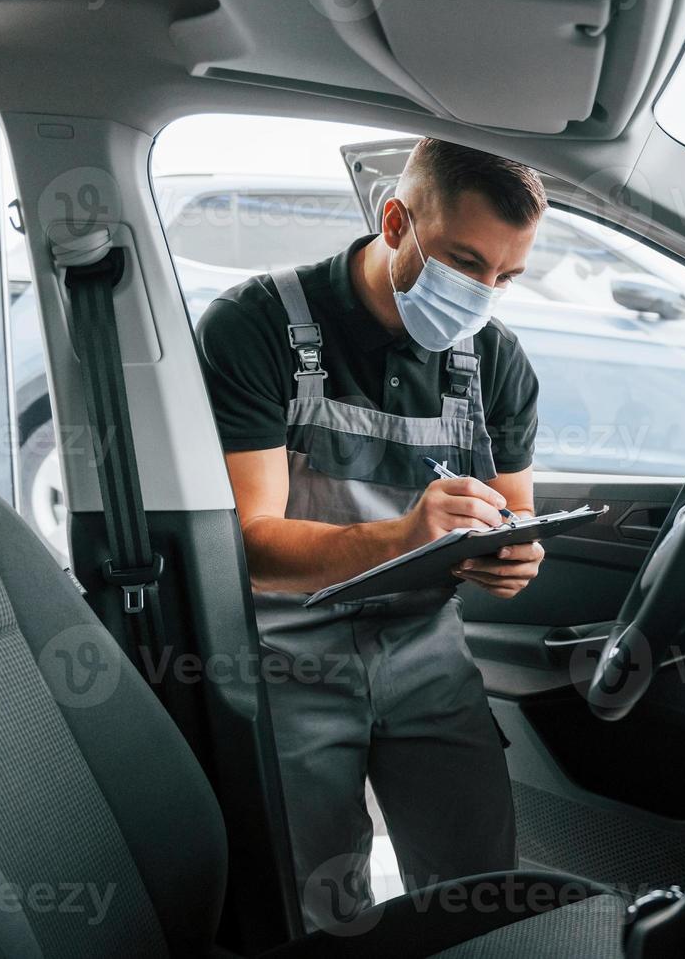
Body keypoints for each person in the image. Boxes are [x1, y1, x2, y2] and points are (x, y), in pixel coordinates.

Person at [195, 138, 547, 930]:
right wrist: (404, 536)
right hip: (287, 655)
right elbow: (250, 545)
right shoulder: (255, 327)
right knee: (315, 904)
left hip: (426, 652)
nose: (483, 294)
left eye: (506, 277)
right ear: (396, 221)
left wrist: (512, 554)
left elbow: (512, 509)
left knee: (479, 891)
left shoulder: (496, 361)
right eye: (465, 263)